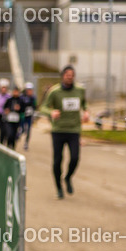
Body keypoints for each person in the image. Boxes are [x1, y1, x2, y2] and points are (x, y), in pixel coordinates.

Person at [39, 66, 88, 198]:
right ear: (62, 76)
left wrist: (86, 111)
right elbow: (43, 107)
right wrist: (51, 112)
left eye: (72, 75)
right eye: (67, 75)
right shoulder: (55, 91)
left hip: (74, 130)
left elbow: (84, 104)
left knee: (75, 158)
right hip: (58, 130)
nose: (70, 77)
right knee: (57, 160)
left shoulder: (80, 90)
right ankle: (59, 188)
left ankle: (68, 177)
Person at [2, 87, 26, 151]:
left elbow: (23, 110)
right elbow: (4, 107)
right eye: (14, 91)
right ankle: (8, 145)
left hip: (16, 120)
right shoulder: (9, 100)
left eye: (17, 92)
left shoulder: (21, 101)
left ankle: (13, 146)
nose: (15, 93)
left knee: (14, 134)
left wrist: (19, 109)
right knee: (9, 133)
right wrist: (7, 110)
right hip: (9, 119)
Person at [19, 82, 37, 150]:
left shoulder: (33, 98)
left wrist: (33, 112)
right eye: (29, 90)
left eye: (31, 90)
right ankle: (17, 136)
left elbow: (34, 106)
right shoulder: (22, 97)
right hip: (23, 116)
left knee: (29, 130)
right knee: (22, 129)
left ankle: (26, 143)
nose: (30, 91)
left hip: (29, 116)